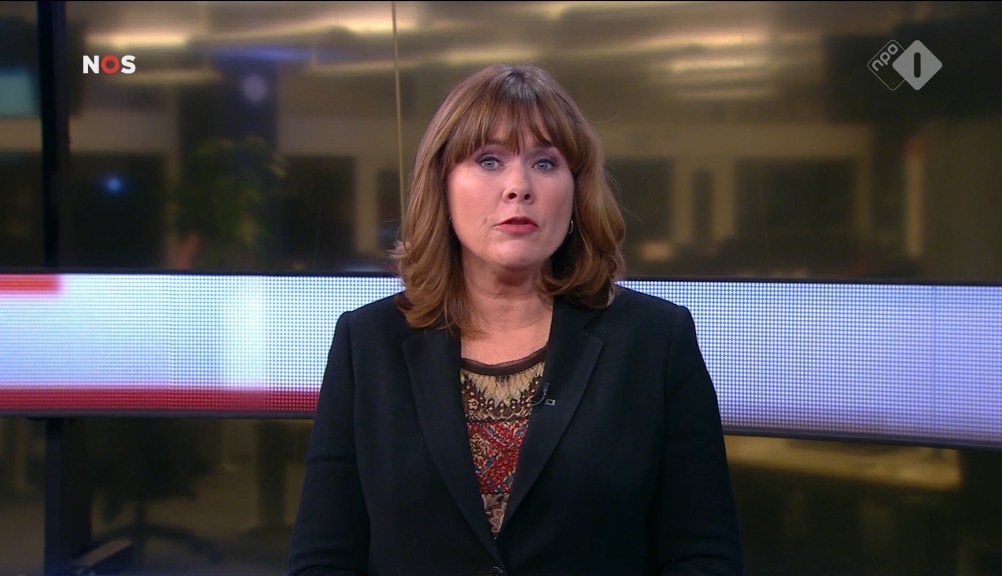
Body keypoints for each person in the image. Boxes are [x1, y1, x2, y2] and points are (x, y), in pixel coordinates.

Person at [287, 63, 743, 576]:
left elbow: (703, 555)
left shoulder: (655, 340)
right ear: (442, 185)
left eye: (545, 163)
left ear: (576, 191)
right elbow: (323, 557)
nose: (518, 186)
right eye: (489, 160)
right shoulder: (366, 343)